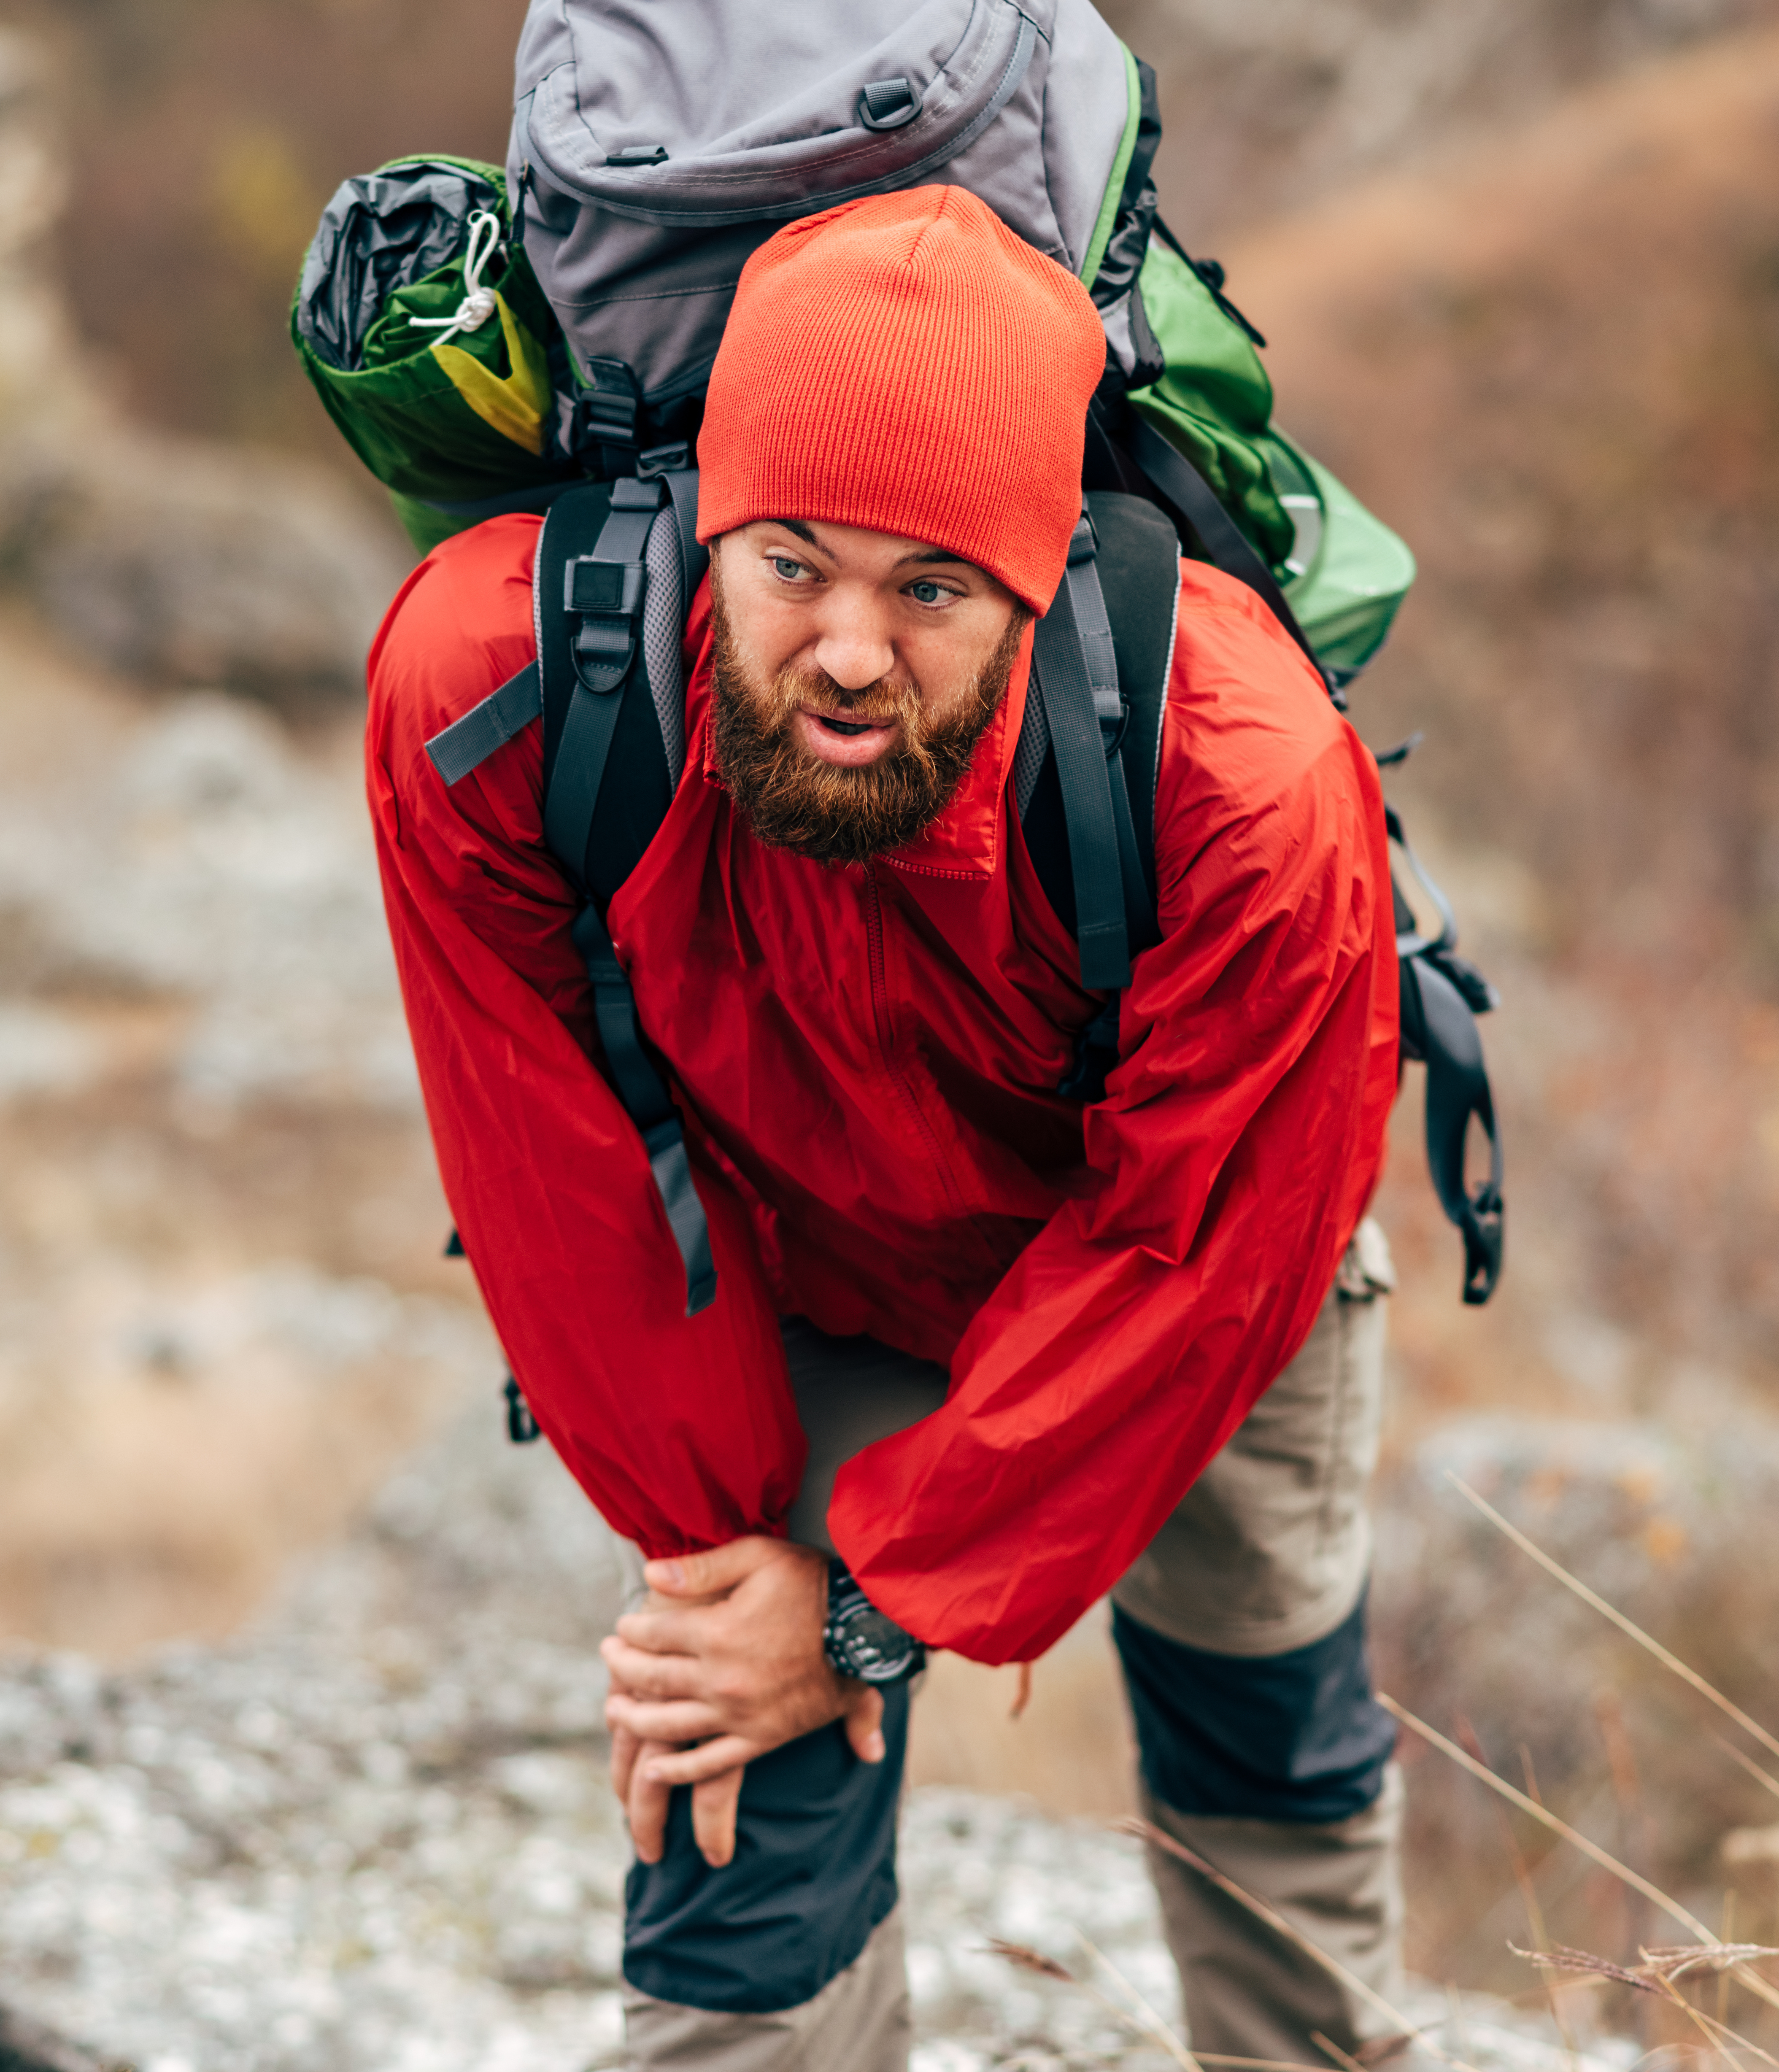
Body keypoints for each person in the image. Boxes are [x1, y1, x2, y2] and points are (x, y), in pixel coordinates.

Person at [364, 184, 1408, 2071]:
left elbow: (1191, 1253)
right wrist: (731, 1572)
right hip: (802, 1259)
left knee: (1260, 1721)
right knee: (731, 1777)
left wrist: (870, 1600)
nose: (846, 651)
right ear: (707, 528)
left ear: (1033, 580)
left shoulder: (1242, 785)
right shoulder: (499, 687)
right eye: (793, 565)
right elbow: (554, 1170)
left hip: (1197, 1262)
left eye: (929, 587)